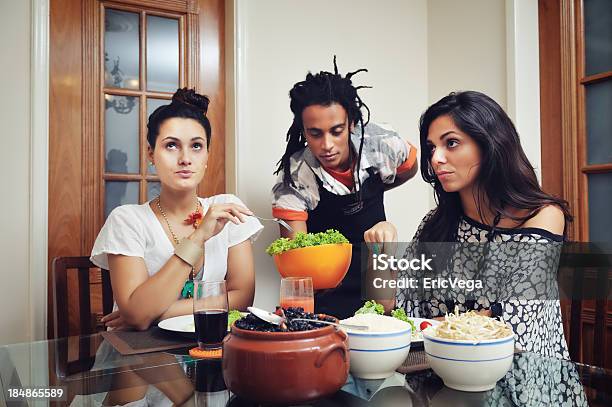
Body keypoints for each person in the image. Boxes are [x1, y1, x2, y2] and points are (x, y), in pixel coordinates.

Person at [395, 90, 572, 359]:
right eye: (432, 147)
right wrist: (378, 250)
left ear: (489, 144)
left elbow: (512, 322)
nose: (435, 158)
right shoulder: (435, 223)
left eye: (451, 143)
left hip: (522, 382)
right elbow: (400, 308)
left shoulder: (544, 216)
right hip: (441, 377)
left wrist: (429, 327)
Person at [91, 88, 262, 331]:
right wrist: (199, 236)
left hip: (211, 347)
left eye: (196, 146)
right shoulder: (127, 220)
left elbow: (243, 301)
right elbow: (138, 317)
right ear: (151, 153)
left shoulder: (226, 209)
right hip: (139, 357)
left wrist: (154, 313)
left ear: (207, 156)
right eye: (171, 146)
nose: (185, 158)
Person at [271, 57, 419, 319]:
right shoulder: (294, 177)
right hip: (326, 296)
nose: (327, 145)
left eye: (336, 131)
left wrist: (376, 188)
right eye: (315, 133)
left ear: (352, 122)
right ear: (303, 130)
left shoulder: (381, 144)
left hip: (378, 278)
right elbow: (299, 263)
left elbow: (410, 166)